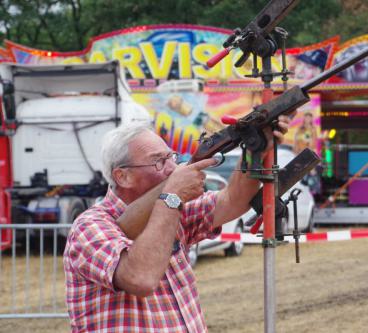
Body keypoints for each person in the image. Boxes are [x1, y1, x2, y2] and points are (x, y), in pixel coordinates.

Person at [63, 117, 291, 332]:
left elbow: (233, 200)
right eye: (159, 161)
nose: (173, 168)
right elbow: (141, 279)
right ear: (122, 176)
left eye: (171, 157)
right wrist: (171, 197)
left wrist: (255, 149)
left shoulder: (172, 210)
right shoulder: (89, 227)